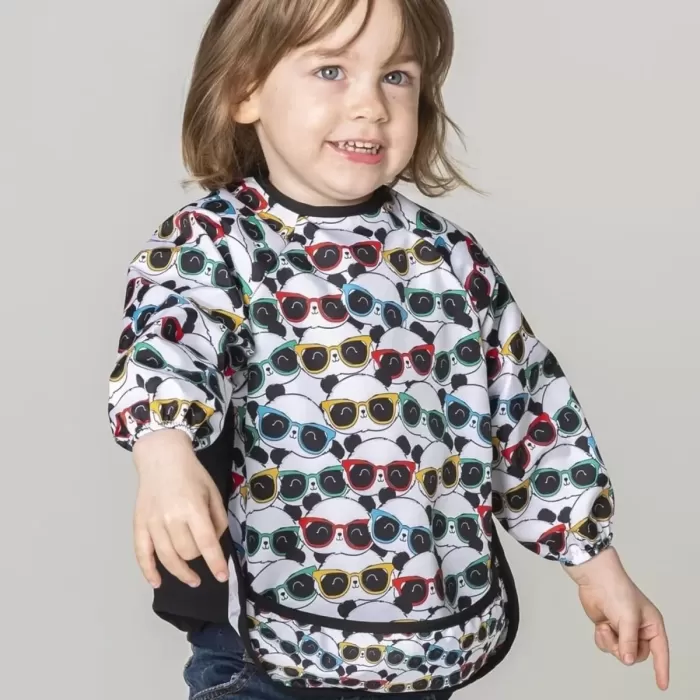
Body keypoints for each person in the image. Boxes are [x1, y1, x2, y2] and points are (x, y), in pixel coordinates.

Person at [107, 1, 670, 698]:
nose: (370, 105)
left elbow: (528, 414)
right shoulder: (213, 244)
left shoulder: (448, 260)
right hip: (266, 647)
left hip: (421, 647)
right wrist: (163, 452)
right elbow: (166, 342)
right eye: (332, 70)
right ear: (244, 90)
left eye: (396, 77)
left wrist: (595, 563)